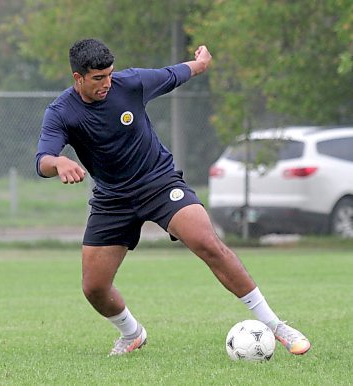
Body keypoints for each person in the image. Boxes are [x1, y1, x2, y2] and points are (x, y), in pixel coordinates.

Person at [35, 38, 311, 356]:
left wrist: (202, 63)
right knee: (94, 288)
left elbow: (175, 73)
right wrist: (59, 163)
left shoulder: (130, 83)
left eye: (110, 74)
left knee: (208, 244)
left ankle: (277, 327)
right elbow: (43, 160)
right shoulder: (61, 112)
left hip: (159, 183)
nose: (107, 83)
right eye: (98, 78)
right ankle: (132, 333)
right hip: (112, 199)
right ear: (78, 78)